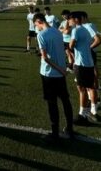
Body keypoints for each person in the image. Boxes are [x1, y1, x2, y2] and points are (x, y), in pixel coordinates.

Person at [33, 13, 74, 142]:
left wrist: (60, 69)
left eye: (36, 25)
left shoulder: (41, 35)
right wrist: (63, 68)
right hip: (60, 74)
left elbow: (45, 57)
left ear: (39, 21)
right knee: (65, 101)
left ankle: (55, 134)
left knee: (52, 103)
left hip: (49, 74)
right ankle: (70, 128)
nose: (37, 28)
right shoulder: (57, 32)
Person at [69, 12, 97, 125]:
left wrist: (70, 46)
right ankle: (89, 111)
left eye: (70, 19)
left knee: (81, 89)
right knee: (88, 87)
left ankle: (82, 115)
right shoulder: (86, 29)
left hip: (81, 63)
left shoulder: (76, 30)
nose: (69, 21)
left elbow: (71, 45)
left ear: (76, 19)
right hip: (89, 62)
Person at [80, 11, 101, 104]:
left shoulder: (88, 26)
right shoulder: (87, 25)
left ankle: (95, 97)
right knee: (92, 73)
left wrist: (89, 48)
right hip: (88, 54)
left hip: (90, 53)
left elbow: (97, 39)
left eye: (80, 18)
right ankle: (94, 96)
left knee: (91, 76)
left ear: (84, 17)